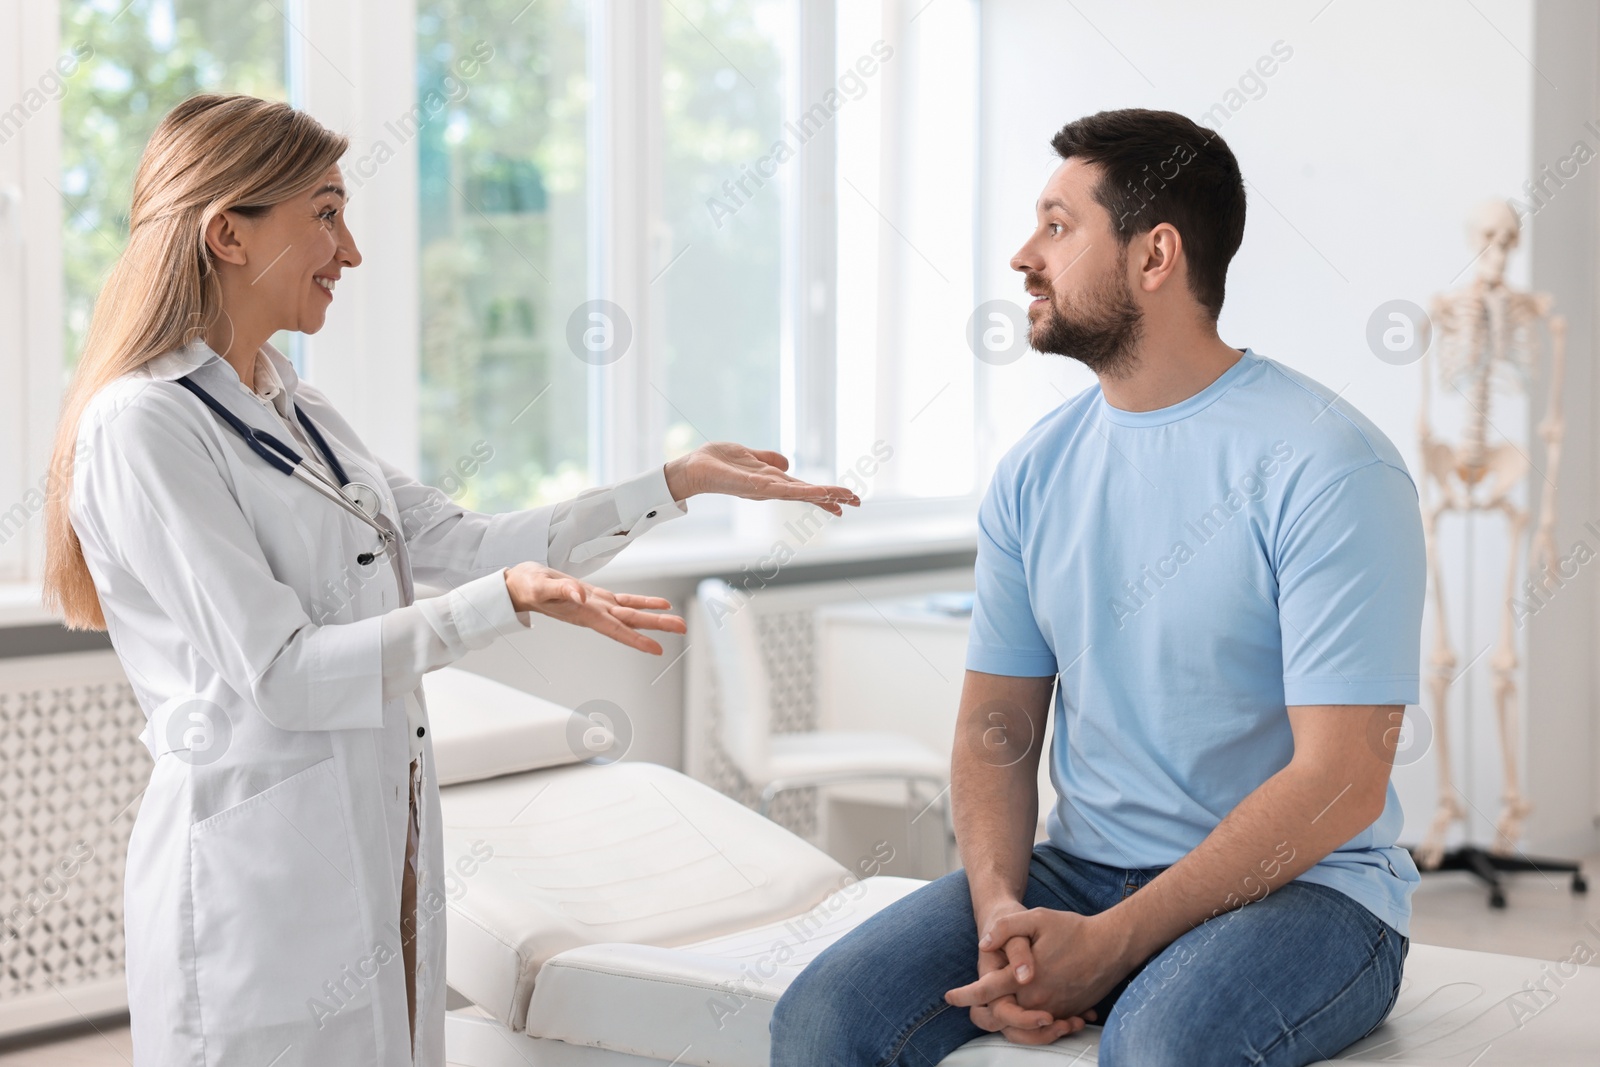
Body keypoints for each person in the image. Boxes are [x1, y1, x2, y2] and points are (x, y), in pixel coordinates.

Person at [41, 93, 858, 1067]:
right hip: (255, 878)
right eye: (326, 213)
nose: (350, 252)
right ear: (227, 232)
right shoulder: (144, 425)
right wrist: (502, 602)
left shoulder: (301, 412)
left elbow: (462, 539)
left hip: (380, 840)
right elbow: (284, 672)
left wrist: (670, 483)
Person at [770, 107, 1423, 1067]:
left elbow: (1343, 780)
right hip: (1079, 870)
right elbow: (997, 725)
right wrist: (1001, 911)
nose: (1023, 256)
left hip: (1309, 891)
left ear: (1155, 256)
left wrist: (1117, 944)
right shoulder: (1035, 472)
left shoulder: (1329, 465)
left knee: (1155, 1045)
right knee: (822, 1019)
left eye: (1058, 225)